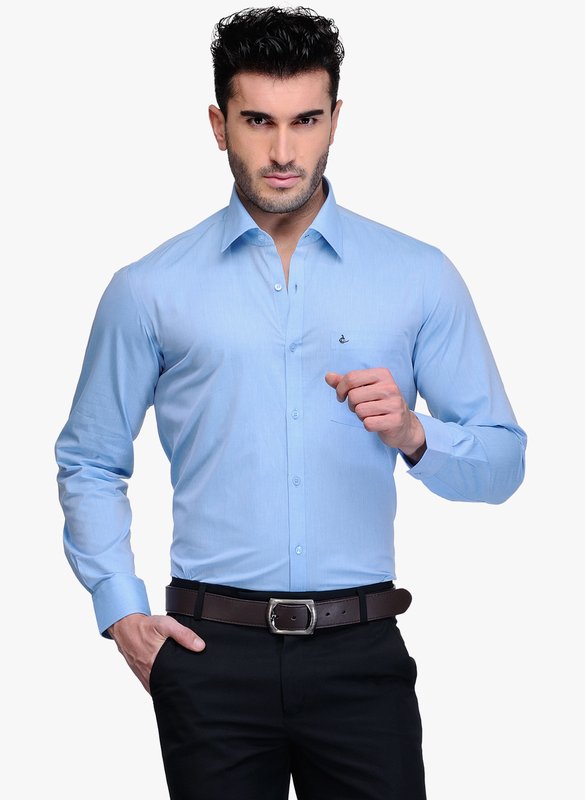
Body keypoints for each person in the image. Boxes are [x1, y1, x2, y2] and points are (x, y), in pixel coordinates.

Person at [54, 7, 526, 800]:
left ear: (334, 119)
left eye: (305, 120)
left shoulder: (417, 275)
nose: (282, 152)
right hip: (209, 657)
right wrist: (119, 609)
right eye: (258, 122)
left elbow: (504, 461)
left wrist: (415, 434)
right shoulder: (148, 289)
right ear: (219, 125)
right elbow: (90, 461)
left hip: (361, 656)